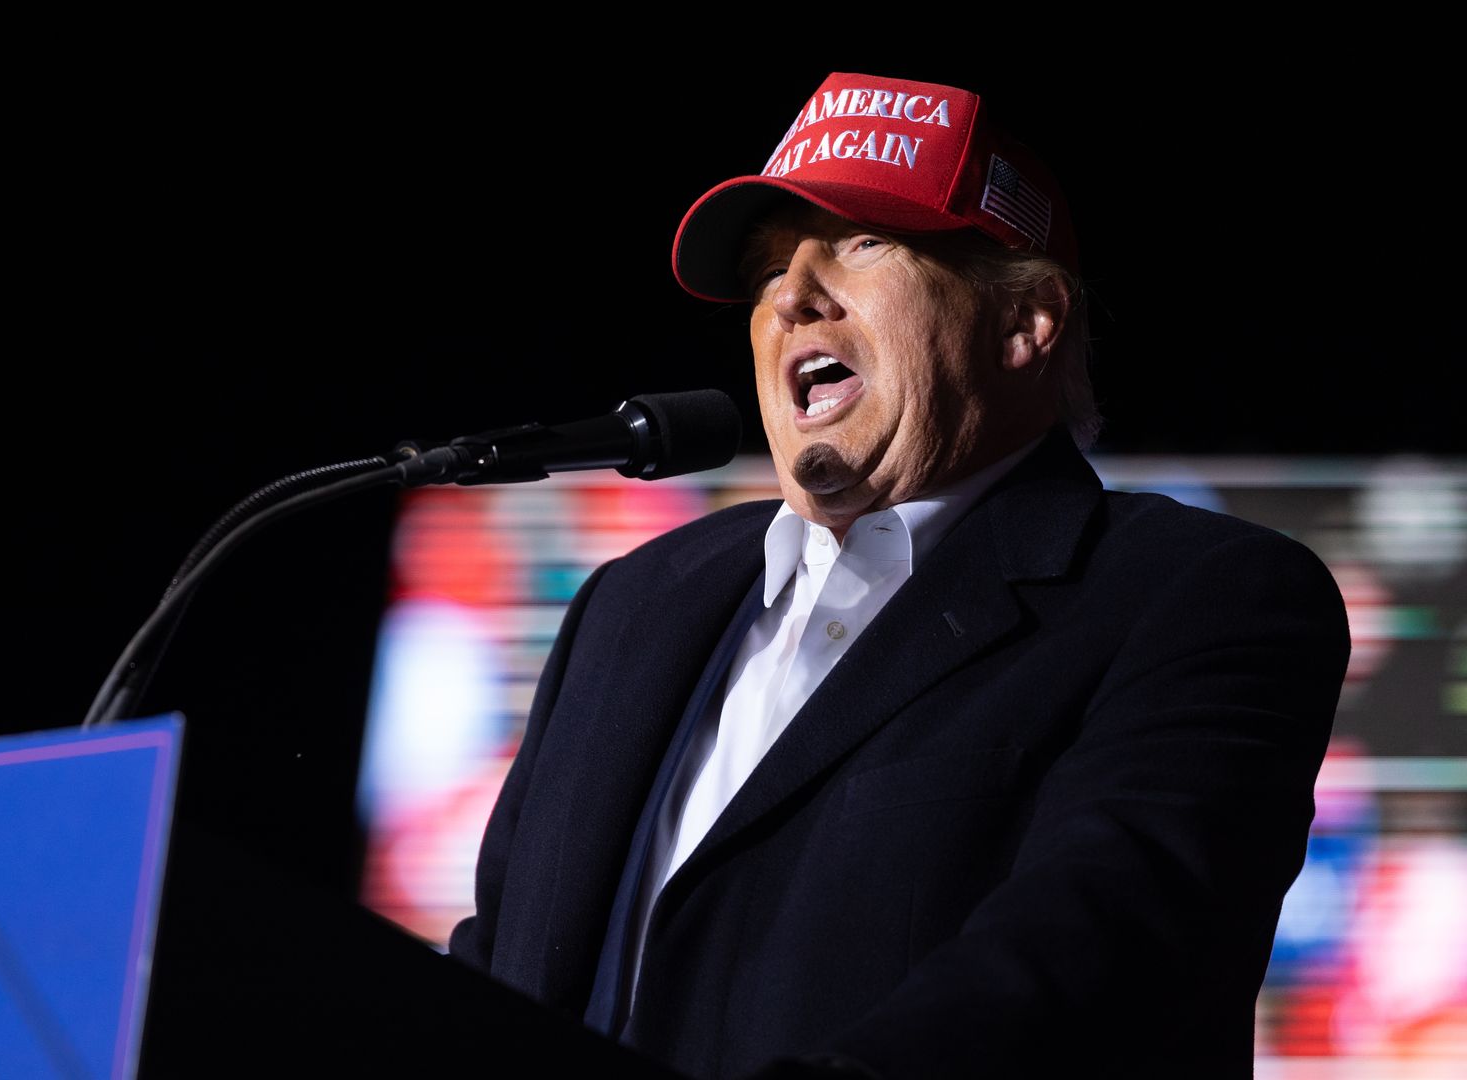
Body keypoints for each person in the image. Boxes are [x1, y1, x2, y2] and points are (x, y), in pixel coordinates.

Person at [446, 72, 1351, 1079]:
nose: (792, 295)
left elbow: (1095, 964)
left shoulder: (1198, 598)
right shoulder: (631, 606)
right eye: (765, 269)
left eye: (863, 242)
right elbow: (497, 964)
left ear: (1026, 321)